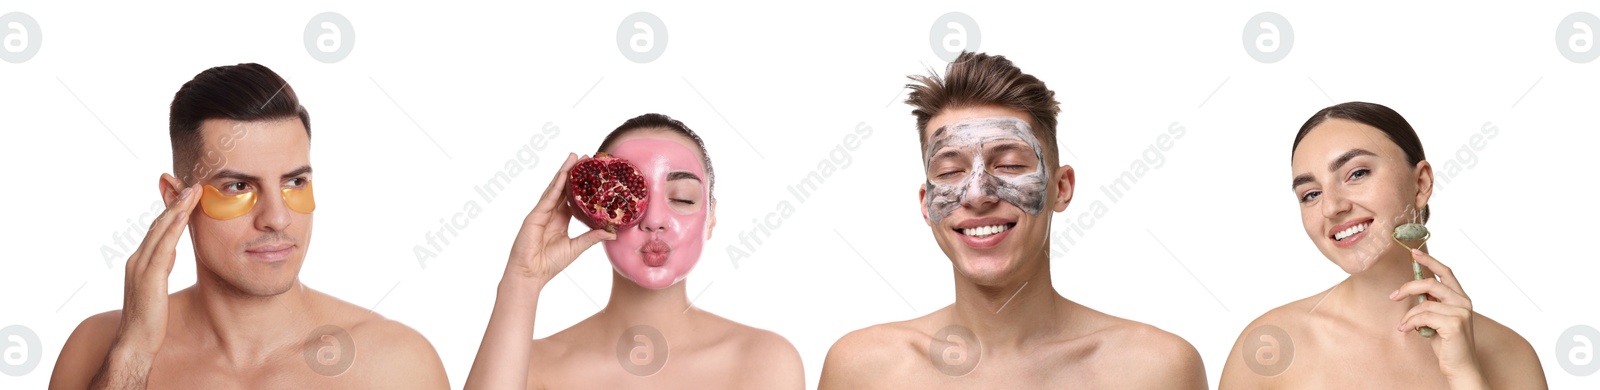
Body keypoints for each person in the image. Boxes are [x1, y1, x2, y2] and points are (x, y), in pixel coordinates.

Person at [819, 52, 1205, 388]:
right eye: (950, 171)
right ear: (926, 203)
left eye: (1010, 164)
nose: (977, 194)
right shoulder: (863, 370)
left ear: (1062, 188)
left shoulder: (1157, 370)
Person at [49, 63, 449, 389]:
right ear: (176, 200)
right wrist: (132, 352)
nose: (277, 217)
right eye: (238, 186)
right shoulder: (96, 347)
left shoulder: (395, 364)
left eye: (295, 182)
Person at [1218, 101, 1547, 389]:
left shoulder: (1511, 354)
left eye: (1357, 173)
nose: (1331, 207)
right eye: (1311, 194)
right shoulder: (1268, 346)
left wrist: (1464, 374)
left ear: (1421, 183)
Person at [465, 113, 803, 389]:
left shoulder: (764, 360)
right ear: (592, 213)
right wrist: (522, 280)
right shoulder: (530, 368)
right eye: (623, 199)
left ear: (711, 217)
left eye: (682, 198)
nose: (655, 220)